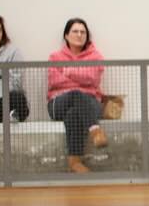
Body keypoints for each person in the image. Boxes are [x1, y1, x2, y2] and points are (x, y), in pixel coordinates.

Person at [46, 18, 108, 173]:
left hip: (89, 103)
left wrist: (67, 71)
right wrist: (81, 77)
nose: (79, 35)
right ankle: (95, 130)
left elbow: (93, 78)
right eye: (75, 31)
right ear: (66, 35)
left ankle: (75, 162)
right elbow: (55, 81)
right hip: (58, 103)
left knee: (74, 112)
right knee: (76, 93)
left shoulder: (96, 56)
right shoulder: (55, 57)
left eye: (83, 32)